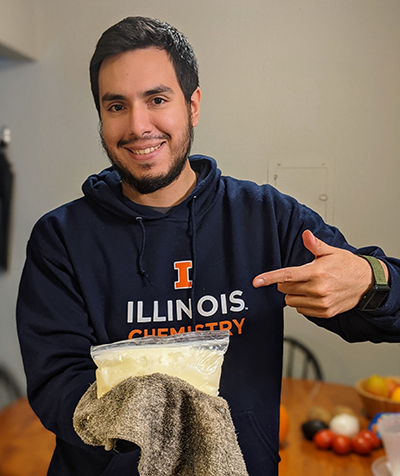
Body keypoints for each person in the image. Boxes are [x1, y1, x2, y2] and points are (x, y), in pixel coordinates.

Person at [16, 16, 400, 476]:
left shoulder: (266, 217)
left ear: (192, 105)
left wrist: (369, 280)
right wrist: (146, 412)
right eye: (116, 105)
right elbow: (57, 384)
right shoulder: (60, 238)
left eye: (157, 99)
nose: (138, 126)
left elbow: (385, 304)